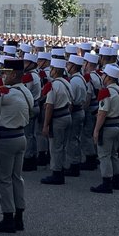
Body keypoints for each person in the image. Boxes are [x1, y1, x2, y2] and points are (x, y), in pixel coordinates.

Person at [0, 59, 33, 233]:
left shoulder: (7, 94)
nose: (3, 76)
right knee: (17, 177)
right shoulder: (26, 91)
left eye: (6, 73)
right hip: (20, 136)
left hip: (7, 138)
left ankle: (8, 216)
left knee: (4, 179)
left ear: (15, 74)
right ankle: (19, 216)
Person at [91, 64, 119, 194]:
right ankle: (117, 180)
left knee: (104, 155)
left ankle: (107, 182)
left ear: (109, 77)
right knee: (114, 154)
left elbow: (102, 113)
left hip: (108, 126)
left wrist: (96, 130)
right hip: (117, 124)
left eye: (104, 75)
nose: (102, 77)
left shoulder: (107, 92)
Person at [40, 56, 72, 186]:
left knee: (55, 147)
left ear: (55, 70)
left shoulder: (54, 85)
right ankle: (62, 168)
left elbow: (50, 106)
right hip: (66, 115)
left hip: (58, 117)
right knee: (62, 146)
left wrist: (46, 124)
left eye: (52, 69)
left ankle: (56, 173)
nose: (50, 71)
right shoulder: (66, 82)